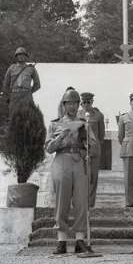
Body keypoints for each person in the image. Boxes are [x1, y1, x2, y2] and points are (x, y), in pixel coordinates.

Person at [45, 89, 95, 255]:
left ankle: (80, 239)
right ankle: (62, 240)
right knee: (62, 200)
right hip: (61, 160)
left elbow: (93, 145)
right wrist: (61, 136)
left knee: (81, 201)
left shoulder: (83, 123)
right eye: (69, 103)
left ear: (78, 105)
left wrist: (86, 142)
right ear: (64, 105)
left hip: (78, 161)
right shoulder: (55, 124)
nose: (72, 106)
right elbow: (49, 148)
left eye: (75, 103)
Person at [78, 92, 106, 208]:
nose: (86, 104)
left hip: (94, 150)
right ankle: (81, 201)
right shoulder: (77, 115)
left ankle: (90, 203)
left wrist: (95, 145)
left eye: (88, 102)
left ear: (92, 102)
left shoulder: (98, 115)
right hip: (81, 150)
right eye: (84, 102)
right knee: (82, 176)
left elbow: (101, 135)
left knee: (93, 177)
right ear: (81, 103)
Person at [1, 47, 40, 117]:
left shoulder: (31, 69)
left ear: (26, 56)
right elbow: (5, 85)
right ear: (16, 56)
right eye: (19, 55)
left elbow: (37, 84)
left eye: (23, 55)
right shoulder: (11, 68)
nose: (21, 56)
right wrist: (10, 95)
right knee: (13, 117)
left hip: (26, 96)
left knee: (28, 117)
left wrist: (29, 92)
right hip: (14, 96)